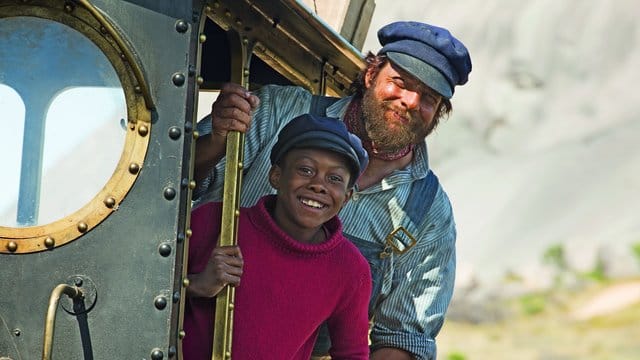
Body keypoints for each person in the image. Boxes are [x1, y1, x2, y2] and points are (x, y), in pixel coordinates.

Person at [193, 21, 472, 360]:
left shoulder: (428, 213)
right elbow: (177, 185)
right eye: (400, 82)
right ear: (371, 75)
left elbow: (403, 338)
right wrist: (218, 138)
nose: (410, 101)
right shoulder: (276, 111)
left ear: (440, 112)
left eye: (429, 98)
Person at [183, 114, 372, 360]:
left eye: (334, 178)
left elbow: (352, 354)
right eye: (305, 169)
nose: (318, 185)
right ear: (276, 176)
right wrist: (197, 285)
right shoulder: (212, 222)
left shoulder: (350, 269)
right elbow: (142, 291)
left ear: (345, 198)